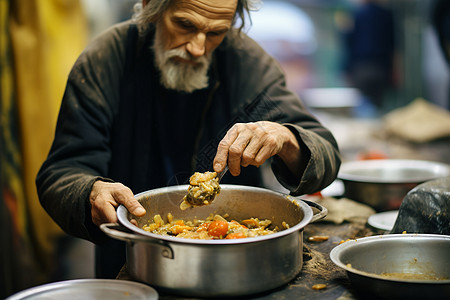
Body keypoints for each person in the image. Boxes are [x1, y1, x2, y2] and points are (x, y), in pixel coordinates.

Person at [36, 0, 341, 279]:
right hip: (133, 263)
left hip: (240, 261)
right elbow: (61, 173)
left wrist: (287, 138)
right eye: (185, 25)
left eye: (216, 32)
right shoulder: (106, 59)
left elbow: (325, 154)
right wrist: (90, 192)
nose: (198, 47)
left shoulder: (245, 62)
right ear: (150, 7)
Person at [341, 0, 396, 110]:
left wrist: (346, 69)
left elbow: (349, 44)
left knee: (362, 105)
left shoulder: (356, 14)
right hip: (381, 67)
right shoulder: (386, 14)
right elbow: (393, 45)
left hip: (361, 67)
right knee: (379, 105)